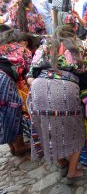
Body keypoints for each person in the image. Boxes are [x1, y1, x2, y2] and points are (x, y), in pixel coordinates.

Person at [26, 25, 87, 184]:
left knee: (49, 129)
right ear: (73, 34)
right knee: (76, 130)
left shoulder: (45, 45)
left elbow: (30, 75)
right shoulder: (79, 45)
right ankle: (72, 172)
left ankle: (62, 162)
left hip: (38, 87)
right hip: (66, 87)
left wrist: (43, 85)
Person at [0, 26, 39, 156]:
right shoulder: (23, 50)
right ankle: (20, 146)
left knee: (2, 114)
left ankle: (12, 147)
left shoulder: (2, 48)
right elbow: (29, 74)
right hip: (3, 80)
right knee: (12, 110)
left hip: (4, 79)